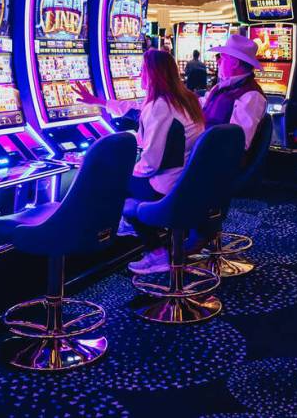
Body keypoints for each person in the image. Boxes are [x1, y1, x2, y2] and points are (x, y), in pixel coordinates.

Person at [73, 49, 205, 274]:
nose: (139, 75)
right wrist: (99, 102)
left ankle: (152, 248)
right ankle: (128, 222)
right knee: (120, 179)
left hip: (168, 184)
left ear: (153, 74)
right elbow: (137, 111)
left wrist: (125, 171)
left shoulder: (160, 106)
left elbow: (151, 163)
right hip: (189, 181)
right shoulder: (185, 98)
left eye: (143, 70)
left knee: (110, 181)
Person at [202, 34, 268, 154]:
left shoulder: (252, 96)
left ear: (235, 63)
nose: (218, 62)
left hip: (216, 161)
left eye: (221, 58)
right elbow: (202, 104)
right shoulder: (221, 86)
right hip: (203, 148)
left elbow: (237, 142)